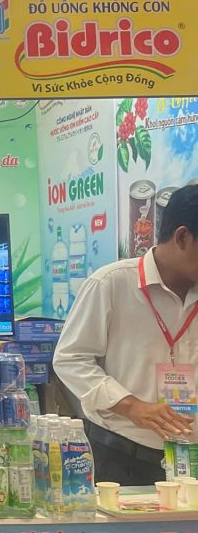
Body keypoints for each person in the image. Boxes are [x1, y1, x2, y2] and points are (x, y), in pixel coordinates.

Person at [54, 183, 198, 484]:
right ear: (183, 237)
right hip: (124, 459)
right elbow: (70, 359)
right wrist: (131, 406)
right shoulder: (111, 284)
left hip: (191, 462)